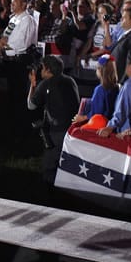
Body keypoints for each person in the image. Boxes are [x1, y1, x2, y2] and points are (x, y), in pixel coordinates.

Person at [28, 55, 81, 183]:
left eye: (42, 68)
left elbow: (31, 105)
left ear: (47, 70)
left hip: (56, 132)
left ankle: (50, 197)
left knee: (49, 167)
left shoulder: (45, 84)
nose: (41, 71)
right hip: (73, 130)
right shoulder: (70, 81)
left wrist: (33, 85)